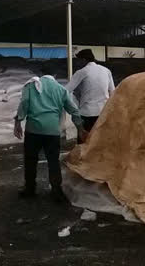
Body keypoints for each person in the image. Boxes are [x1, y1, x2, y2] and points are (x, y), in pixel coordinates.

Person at [14, 73, 85, 201]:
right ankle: (56, 191)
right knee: (53, 161)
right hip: (52, 131)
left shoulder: (31, 86)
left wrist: (18, 121)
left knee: (30, 160)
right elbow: (73, 110)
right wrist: (79, 128)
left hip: (33, 130)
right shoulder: (60, 89)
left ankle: (30, 189)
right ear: (53, 78)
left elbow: (24, 103)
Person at [64, 49, 115, 132]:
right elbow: (112, 92)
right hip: (103, 113)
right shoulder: (106, 70)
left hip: (87, 113)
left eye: (79, 60)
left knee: (85, 141)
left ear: (84, 60)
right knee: (99, 141)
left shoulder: (82, 72)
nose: (78, 63)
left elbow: (66, 91)